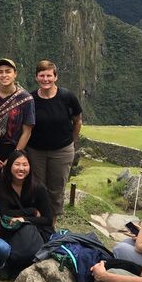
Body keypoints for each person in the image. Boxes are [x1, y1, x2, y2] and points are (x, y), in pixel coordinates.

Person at [26, 60, 82, 222]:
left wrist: (71, 141)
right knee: (37, 186)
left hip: (62, 150)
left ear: (55, 77)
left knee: (56, 188)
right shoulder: (31, 99)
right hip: (36, 151)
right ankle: (38, 220)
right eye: (42, 75)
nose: (45, 79)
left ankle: (52, 223)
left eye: (49, 75)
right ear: (36, 78)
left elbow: (77, 120)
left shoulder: (67, 97)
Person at [0, 58, 35, 195]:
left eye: (8, 71)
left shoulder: (25, 99)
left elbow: (27, 132)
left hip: (13, 148)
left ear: (15, 74)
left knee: (10, 187)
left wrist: (14, 156)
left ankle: (8, 215)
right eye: (0, 72)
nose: (4, 75)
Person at [0, 150, 54, 270]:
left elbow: (47, 219)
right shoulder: (1, 185)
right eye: (17, 164)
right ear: (10, 165)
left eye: (25, 165)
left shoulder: (38, 187)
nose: (21, 168)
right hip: (10, 229)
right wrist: (32, 211)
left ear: (30, 167)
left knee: (28, 231)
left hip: (37, 230)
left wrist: (23, 219)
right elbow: (5, 213)